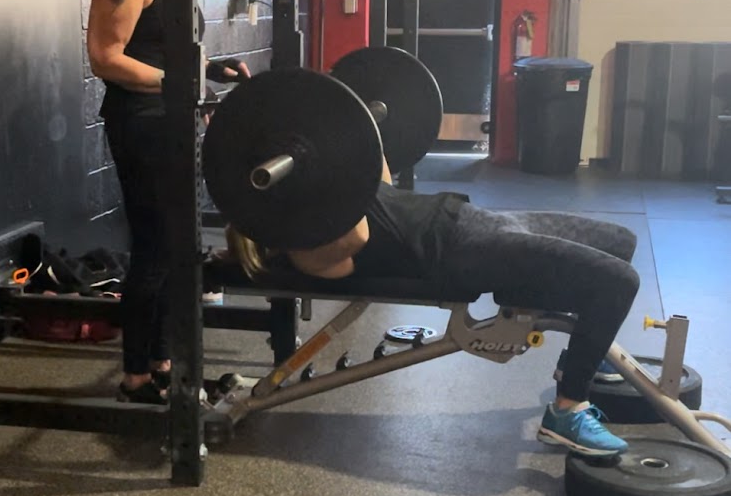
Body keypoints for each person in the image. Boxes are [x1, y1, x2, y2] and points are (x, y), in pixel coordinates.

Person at [226, 159, 640, 457]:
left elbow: (374, 168)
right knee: (619, 281)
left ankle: (582, 354)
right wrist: (328, 171)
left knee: (620, 241)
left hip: (474, 218)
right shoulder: (310, 250)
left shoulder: (330, 205)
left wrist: (348, 129)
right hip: (466, 253)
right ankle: (567, 410)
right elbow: (358, 234)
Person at [87, 0, 250, 405]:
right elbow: (105, 56)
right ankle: (136, 377)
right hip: (142, 123)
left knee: (175, 247)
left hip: (170, 118)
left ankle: (162, 365)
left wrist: (208, 71)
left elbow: (161, 50)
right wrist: (179, 83)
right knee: (155, 250)